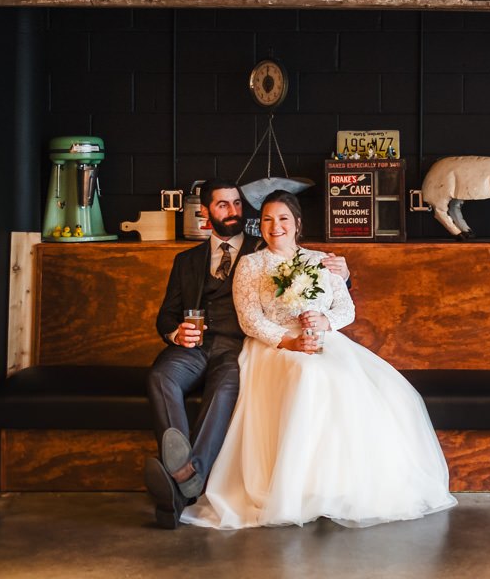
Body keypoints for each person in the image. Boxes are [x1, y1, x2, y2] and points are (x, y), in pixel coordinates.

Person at [181, 190, 456, 529]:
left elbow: (345, 308)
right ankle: (295, 488)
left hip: (323, 340)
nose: (274, 226)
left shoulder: (322, 260)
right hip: (274, 346)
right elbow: (249, 319)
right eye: (267, 220)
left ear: (297, 224)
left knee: (373, 387)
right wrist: (290, 341)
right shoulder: (251, 265)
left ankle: (337, 485)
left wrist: (324, 322)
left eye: (282, 219)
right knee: (306, 374)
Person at [143, 179, 350, 529]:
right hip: (194, 347)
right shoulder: (186, 260)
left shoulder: (265, 245)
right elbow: (166, 313)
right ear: (206, 213)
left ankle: (181, 488)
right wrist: (176, 332)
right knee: (160, 376)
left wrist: (345, 275)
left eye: (238, 204)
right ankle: (184, 473)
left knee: (225, 390)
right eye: (223, 205)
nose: (233, 211)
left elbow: (312, 273)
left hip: (234, 347)